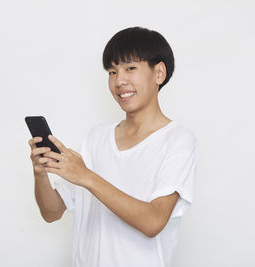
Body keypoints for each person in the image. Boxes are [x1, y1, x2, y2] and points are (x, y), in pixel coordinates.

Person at [28, 26, 198, 267]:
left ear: (159, 73)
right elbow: (52, 212)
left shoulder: (178, 140)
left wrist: (86, 176)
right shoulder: (96, 137)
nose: (119, 81)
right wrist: (40, 175)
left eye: (130, 68)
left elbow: (153, 222)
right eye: (111, 71)